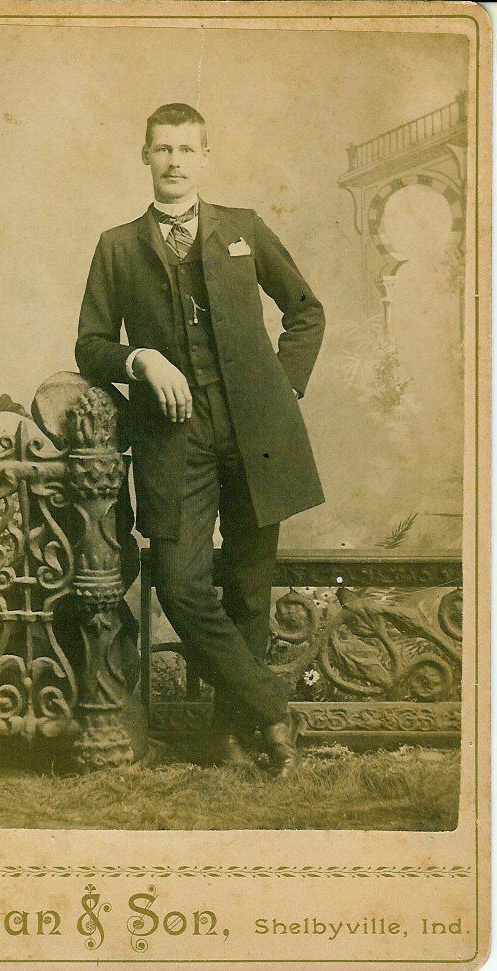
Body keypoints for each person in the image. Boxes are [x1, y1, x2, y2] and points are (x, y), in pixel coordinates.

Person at [76, 103, 325, 778]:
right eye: (163, 149)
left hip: (256, 434)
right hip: (173, 437)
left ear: (205, 157)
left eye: (187, 149)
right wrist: (141, 361)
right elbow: (90, 344)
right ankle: (274, 708)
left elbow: (305, 311)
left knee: (248, 589)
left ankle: (232, 736)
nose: (175, 161)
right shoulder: (117, 246)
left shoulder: (244, 228)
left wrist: (285, 388)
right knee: (181, 584)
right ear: (145, 156)